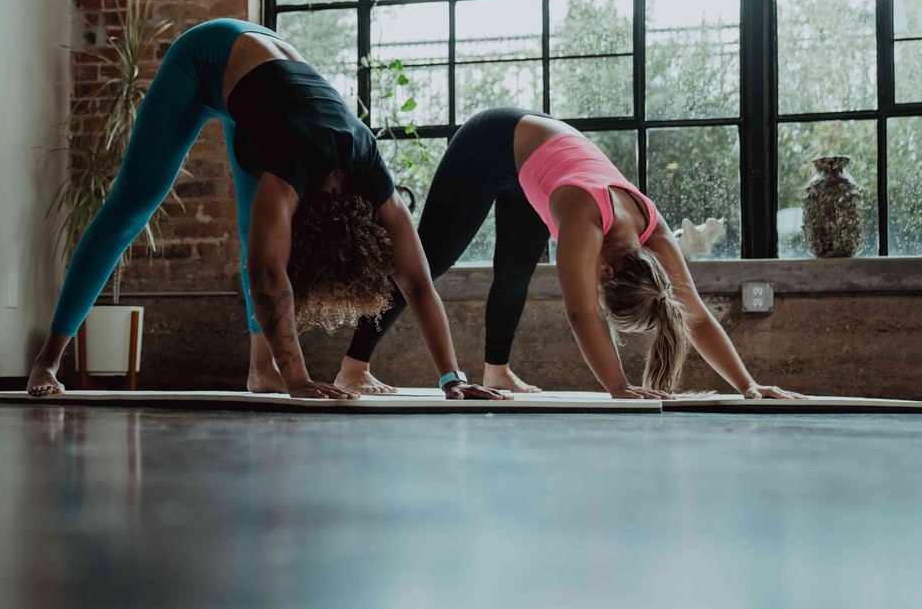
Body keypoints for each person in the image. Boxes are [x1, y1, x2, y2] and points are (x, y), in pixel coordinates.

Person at [26, 19, 508, 402]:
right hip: (207, 56)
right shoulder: (290, 167)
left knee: (250, 226)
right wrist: (299, 378)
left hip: (266, 69)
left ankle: (262, 369)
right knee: (130, 207)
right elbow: (267, 272)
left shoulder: (368, 167)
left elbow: (417, 283)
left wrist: (453, 378)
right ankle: (48, 360)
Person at [338, 107, 804, 400]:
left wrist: (749, 386)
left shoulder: (653, 229)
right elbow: (582, 314)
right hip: (492, 142)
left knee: (516, 272)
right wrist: (619, 388)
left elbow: (694, 315)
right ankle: (353, 368)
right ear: (607, 272)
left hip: (539, 162)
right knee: (427, 262)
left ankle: (497, 372)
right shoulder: (584, 218)